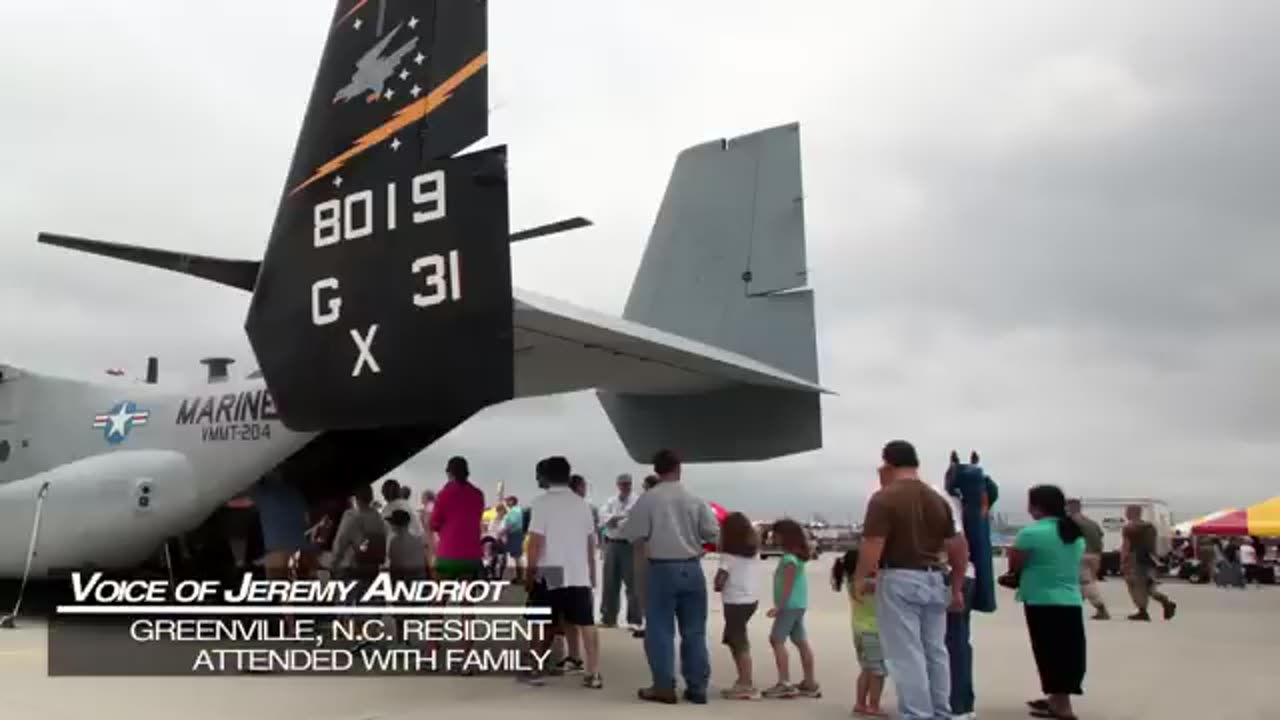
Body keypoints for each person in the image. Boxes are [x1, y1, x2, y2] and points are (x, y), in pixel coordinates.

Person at [853, 440, 968, 720]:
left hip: (899, 576)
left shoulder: (884, 498)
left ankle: (917, 713)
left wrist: (860, 577)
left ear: (887, 463)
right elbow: (958, 546)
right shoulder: (937, 498)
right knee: (935, 651)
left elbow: (873, 544)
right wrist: (956, 587)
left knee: (906, 654)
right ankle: (941, 711)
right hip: (934, 577)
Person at [619, 450, 720, 704]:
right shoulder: (695, 499)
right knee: (694, 631)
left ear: (656, 470)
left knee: (660, 630)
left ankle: (664, 686)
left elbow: (632, 534)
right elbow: (712, 533)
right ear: (679, 468)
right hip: (692, 567)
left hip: (662, 569)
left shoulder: (648, 500)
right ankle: (697, 687)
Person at [524, 456, 604, 689]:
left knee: (539, 621)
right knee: (586, 623)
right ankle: (593, 672)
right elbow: (591, 544)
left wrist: (529, 574)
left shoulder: (540, 503)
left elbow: (535, 543)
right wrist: (591, 574)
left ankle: (535, 666)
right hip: (578, 571)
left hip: (550, 570)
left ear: (546, 476)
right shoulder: (584, 505)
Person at [1009, 485, 1088, 720]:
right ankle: (1057, 698)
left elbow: (1016, 565)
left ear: (1036, 506)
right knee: (1068, 653)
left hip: (1041, 599)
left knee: (1048, 653)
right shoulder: (1073, 532)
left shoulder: (1031, 533)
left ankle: (1062, 707)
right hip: (1071, 599)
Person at [764, 518, 821, 699]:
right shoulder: (797, 556)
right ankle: (810, 683)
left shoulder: (789, 559)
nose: (773, 538)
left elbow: (787, 585)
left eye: (776, 535)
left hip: (789, 606)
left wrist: (778, 607)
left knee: (776, 639)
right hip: (798, 604)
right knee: (800, 641)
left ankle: (784, 682)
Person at [833, 548, 887, 717]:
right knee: (878, 671)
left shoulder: (853, 582)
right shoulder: (868, 584)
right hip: (872, 631)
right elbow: (887, 586)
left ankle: (860, 703)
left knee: (866, 669)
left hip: (859, 630)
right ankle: (874, 705)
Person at [714, 511, 761, 700]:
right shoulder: (752, 552)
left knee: (739, 641)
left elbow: (720, 581)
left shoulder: (728, 556)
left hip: (735, 601)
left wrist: (716, 582)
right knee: (735, 638)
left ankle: (746, 683)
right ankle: (743, 680)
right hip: (751, 599)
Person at [430, 457, 485, 581]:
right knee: (467, 597)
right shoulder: (478, 494)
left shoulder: (444, 494)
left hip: (449, 553)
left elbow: (434, 523)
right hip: (471, 555)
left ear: (449, 473)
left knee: (440, 596)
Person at [599, 474, 642, 630]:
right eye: (623, 484)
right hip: (612, 544)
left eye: (628, 484)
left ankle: (635, 619)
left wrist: (614, 519)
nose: (625, 486)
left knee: (633, 584)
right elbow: (603, 518)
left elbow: (630, 521)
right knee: (610, 582)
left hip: (630, 545)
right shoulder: (611, 501)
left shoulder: (637, 500)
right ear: (618, 485)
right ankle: (608, 618)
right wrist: (617, 518)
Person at [1120, 505, 1176, 620]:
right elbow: (1153, 544)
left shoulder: (1129, 528)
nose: (1125, 513)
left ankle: (1142, 611)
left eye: (1127, 511)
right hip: (1150, 559)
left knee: (1136, 586)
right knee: (1149, 587)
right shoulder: (1150, 527)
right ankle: (1165, 602)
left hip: (1135, 559)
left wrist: (1122, 561)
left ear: (1132, 513)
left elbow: (1126, 545)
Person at [1066, 499, 1110, 619]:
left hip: (1082, 555)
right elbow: (1100, 535)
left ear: (1070, 508)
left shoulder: (1071, 522)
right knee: (1084, 583)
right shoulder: (1091, 522)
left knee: (1085, 583)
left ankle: (1101, 608)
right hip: (1095, 555)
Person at [503, 496, 526, 582]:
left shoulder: (514, 511)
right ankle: (519, 576)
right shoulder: (518, 510)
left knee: (517, 556)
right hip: (517, 534)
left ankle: (520, 577)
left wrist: (503, 531)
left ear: (512, 501)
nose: (506, 503)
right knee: (517, 556)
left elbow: (511, 523)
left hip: (515, 534)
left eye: (508, 501)